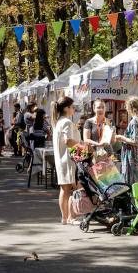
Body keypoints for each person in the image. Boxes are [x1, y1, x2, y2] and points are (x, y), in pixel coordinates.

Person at [51, 96, 100, 225]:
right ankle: (71, 217)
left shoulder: (58, 122)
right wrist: (84, 147)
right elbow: (68, 141)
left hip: (63, 159)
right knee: (75, 188)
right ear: (66, 108)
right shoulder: (66, 122)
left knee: (65, 189)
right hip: (70, 159)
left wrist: (80, 144)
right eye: (72, 107)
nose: (74, 109)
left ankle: (65, 218)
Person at [115, 97, 138, 185]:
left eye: (127, 108)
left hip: (132, 157)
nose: (127, 110)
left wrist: (121, 138)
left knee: (132, 182)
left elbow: (136, 141)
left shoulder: (134, 122)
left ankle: (133, 199)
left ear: (131, 108)